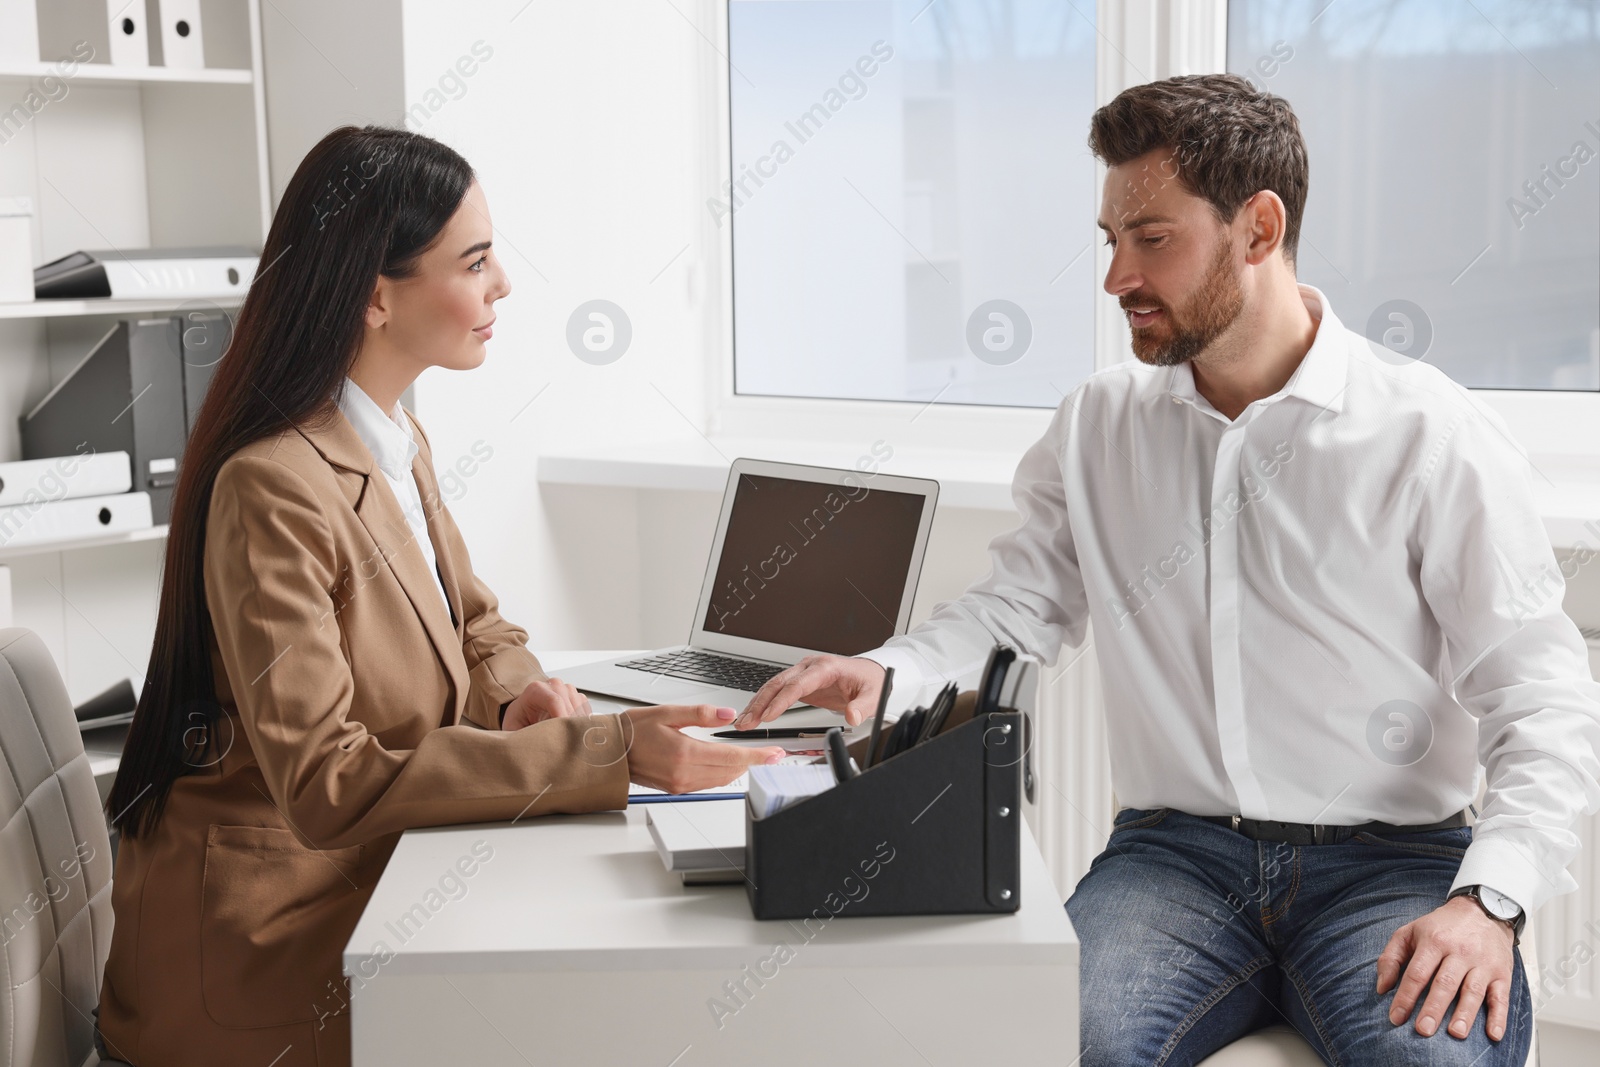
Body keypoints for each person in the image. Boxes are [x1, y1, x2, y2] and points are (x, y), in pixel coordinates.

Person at [737, 75, 1600, 1065]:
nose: (1115, 278)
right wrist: (893, 672)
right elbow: (1024, 602)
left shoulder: (1427, 434)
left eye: (1151, 238)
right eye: (1111, 240)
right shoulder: (1101, 422)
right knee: (1054, 1045)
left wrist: (1491, 898)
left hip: (1394, 861)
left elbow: (1542, 700)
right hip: (1176, 857)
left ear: (1257, 230)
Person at [97, 126, 785, 1067]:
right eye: (475, 260)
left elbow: (475, 623)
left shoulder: (393, 437)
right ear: (375, 296)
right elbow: (327, 782)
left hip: (364, 887)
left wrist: (513, 696)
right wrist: (608, 750)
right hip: (268, 949)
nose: (503, 283)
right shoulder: (272, 486)